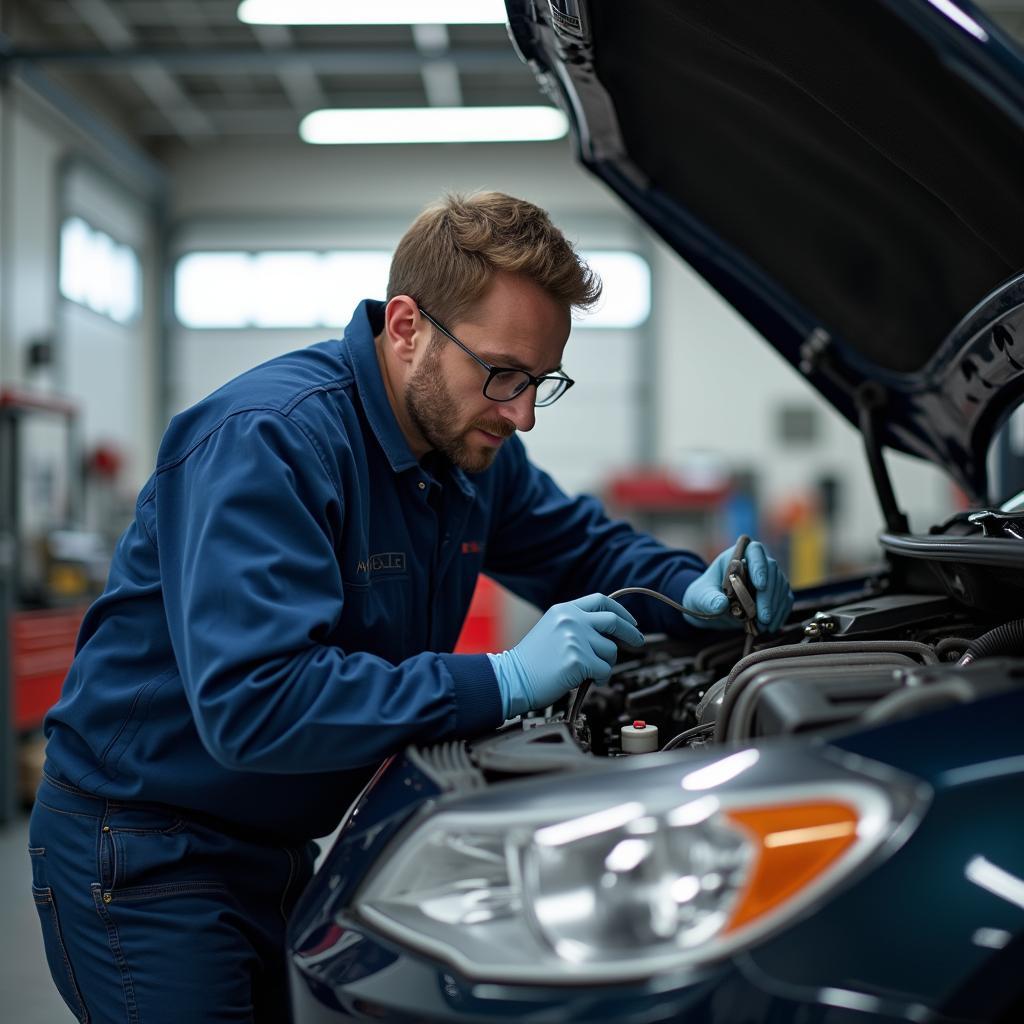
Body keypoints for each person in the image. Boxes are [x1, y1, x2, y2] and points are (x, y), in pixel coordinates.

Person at [29, 191, 793, 1022]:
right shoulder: (269, 441)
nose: (523, 413)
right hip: (144, 851)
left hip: (275, 842)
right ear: (406, 328)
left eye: (543, 382)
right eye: (502, 374)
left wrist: (691, 589)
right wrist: (498, 680)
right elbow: (257, 702)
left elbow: (584, 548)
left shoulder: (467, 449)